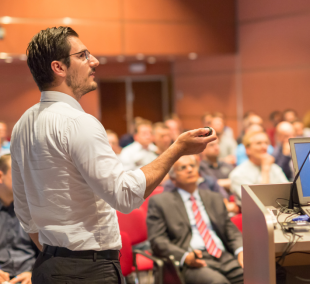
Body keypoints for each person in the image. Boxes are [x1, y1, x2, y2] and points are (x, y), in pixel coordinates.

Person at [11, 26, 217, 284]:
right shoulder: (79, 122)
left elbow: (24, 211)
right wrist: (177, 149)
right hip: (89, 270)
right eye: (83, 55)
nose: (94, 61)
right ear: (59, 67)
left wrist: (57, 255)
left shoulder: (22, 124)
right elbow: (125, 196)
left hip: (48, 266)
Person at [147, 155, 244, 284]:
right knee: (218, 282)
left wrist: (240, 250)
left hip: (223, 255)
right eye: (183, 168)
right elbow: (157, 240)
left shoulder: (214, 198)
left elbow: (229, 229)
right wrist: (184, 256)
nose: (189, 170)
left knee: (257, 276)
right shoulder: (161, 202)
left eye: (192, 166)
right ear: (173, 178)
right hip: (192, 261)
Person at [0, 155, 37, 284]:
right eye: (17, 172)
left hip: (28, 277)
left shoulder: (33, 209)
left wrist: (33, 273)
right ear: (0, 176)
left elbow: (46, 250)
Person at [230, 131, 288, 203]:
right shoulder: (238, 174)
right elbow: (259, 202)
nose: (264, 147)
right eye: (259, 143)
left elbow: (287, 195)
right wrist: (265, 170)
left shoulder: (275, 168)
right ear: (247, 150)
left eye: (266, 143)